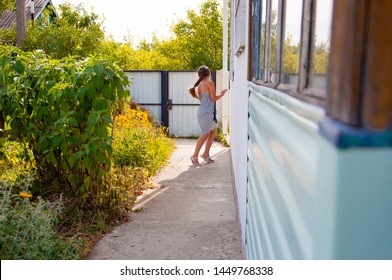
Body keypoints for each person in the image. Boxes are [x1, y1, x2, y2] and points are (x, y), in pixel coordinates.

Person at [188, 65, 228, 166]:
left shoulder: (200, 84)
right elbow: (213, 98)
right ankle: (194, 156)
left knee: (214, 132)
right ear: (208, 73)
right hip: (206, 113)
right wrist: (222, 94)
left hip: (205, 112)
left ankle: (205, 154)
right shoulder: (209, 83)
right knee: (205, 134)